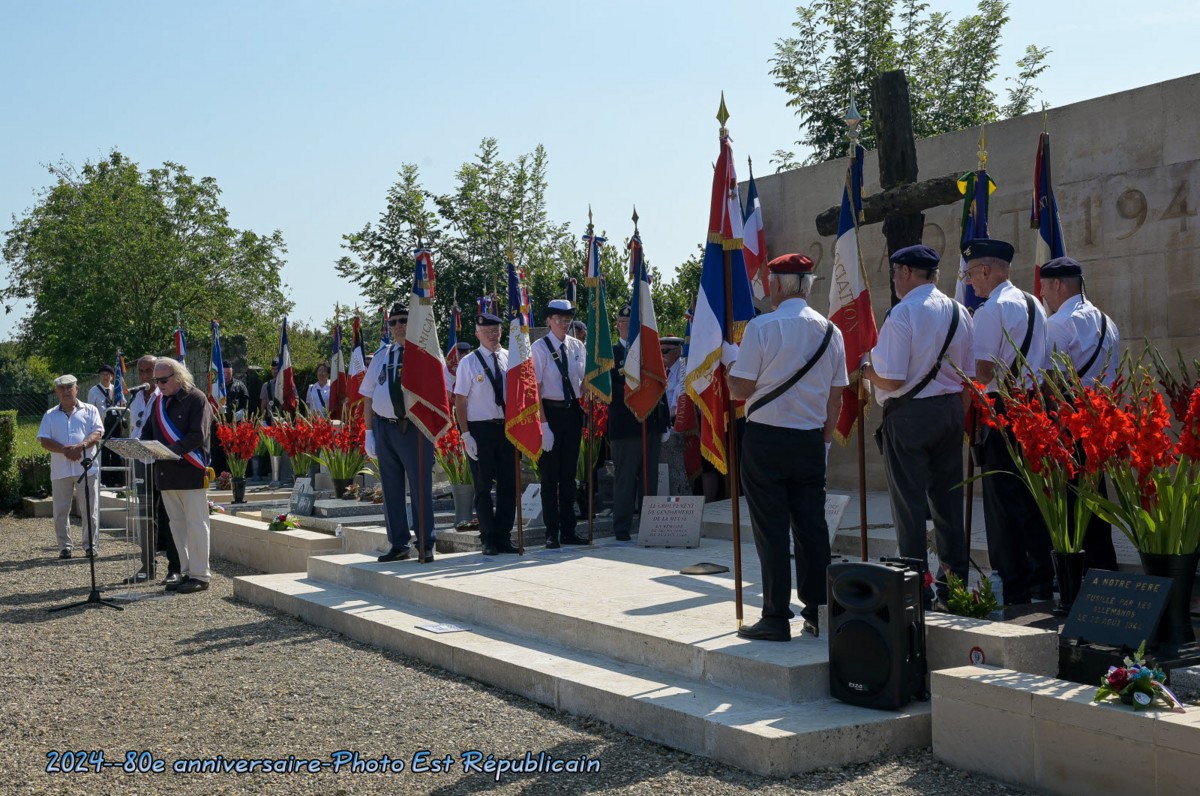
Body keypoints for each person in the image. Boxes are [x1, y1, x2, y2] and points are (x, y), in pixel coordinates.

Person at [727, 253, 847, 641]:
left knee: (772, 528)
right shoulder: (831, 331)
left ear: (778, 284)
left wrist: (729, 369)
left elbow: (741, 389)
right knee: (812, 527)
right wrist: (824, 441)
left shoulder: (762, 327)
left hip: (766, 439)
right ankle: (819, 611)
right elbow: (836, 399)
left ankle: (776, 616)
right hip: (809, 439)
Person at [863, 245, 974, 609]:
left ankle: (916, 591)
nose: (894, 279)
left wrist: (865, 371)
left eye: (896, 272)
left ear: (907, 272)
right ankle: (954, 589)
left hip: (910, 415)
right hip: (950, 410)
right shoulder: (959, 310)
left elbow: (892, 378)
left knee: (908, 507)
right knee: (949, 505)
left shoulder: (903, 313)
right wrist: (956, 414)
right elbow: (967, 378)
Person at [962, 237, 1053, 606]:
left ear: (986, 270)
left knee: (1003, 500)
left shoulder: (991, 310)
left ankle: (1012, 584)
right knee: (1034, 497)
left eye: (971, 274)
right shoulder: (1035, 303)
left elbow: (983, 371)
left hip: (1003, 408)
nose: (969, 282)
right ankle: (1041, 578)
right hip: (1034, 407)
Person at [1041, 255, 1121, 572]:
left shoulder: (1059, 323)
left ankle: (1082, 570)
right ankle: (1104, 564)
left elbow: (1051, 383)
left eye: (1044, 286)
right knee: (1096, 493)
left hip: (1071, 419)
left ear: (1058, 284)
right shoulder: (1107, 321)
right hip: (1103, 417)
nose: (1042, 293)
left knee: (1074, 497)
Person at [361, 303, 436, 563]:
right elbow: (368, 395)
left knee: (420, 488)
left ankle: (425, 543)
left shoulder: (424, 354)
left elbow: (440, 391)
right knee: (391, 489)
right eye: (393, 323)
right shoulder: (382, 356)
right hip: (385, 427)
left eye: (403, 320)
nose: (398, 326)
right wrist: (369, 432)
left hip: (414, 428)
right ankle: (398, 543)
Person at [140, 357, 214, 594]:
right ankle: (185, 571)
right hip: (166, 474)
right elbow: (147, 432)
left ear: (179, 377)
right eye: (156, 381)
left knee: (196, 525)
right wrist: (139, 446)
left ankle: (200, 575)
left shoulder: (196, 399)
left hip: (190, 472)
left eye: (163, 380)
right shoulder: (158, 403)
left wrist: (169, 451)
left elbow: (198, 436)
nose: (159, 385)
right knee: (177, 527)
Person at [454, 311, 518, 556]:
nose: (492, 335)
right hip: (480, 429)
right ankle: (487, 538)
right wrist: (465, 434)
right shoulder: (469, 362)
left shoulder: (510, 358)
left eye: (496, 331)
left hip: (507, 428)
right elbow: (460, 400)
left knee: (508, 485)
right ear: (477, 334)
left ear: (501, 332)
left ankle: (504, 536)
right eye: (487, 332)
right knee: (482, 485)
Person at [608, 305, 670, 541]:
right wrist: (635, 392)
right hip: (626, 427)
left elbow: (660, 386)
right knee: (625, 479)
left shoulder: (648, 353)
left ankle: (648, 525)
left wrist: (664, 422)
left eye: (632, 323)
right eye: (624, 323)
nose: (628, 327)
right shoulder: (611, 354)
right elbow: (610, 389)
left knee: (649, 479)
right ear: (618, 325)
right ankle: (622, 527)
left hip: (650, 425)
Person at [532, 298, 587, 548]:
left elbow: (583, 382)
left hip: (572, 411)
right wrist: (543, 425)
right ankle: (551, 532)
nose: (563, 324)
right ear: (549, 321)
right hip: (550, 413)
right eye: (558, 319)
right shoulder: (539, 348)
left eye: (567, 320)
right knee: (549, 477)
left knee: (569, 476)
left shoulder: (577, 346)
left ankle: (569, 530)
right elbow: (535, 389)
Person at [124, 355, 182, 585]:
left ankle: (175, 568)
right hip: (141, 461)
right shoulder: (135, 397)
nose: (145, 375)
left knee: (169, 515)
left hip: (163, 461)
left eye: (150, 370)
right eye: (141, 371)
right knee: (145, 515)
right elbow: (134, 428)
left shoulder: (165, 395)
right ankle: (147, 566)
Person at [37, 375, 104, 559]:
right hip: (61, 469)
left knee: (89, 509)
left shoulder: (90, 410)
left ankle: (90, 545)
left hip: (86, 468)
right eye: (62, 388)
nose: (66, 391)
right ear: (57, 392)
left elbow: (98, 433)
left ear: (77, 389)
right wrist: (66, 451)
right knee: (60, 510)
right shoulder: (50, 415)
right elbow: (44, 440)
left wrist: (81, 446)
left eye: (69, 387)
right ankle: (65, 547)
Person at [87, 364, 126, 487]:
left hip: (116, 423)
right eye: (103, 374)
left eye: (108, 375)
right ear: (99, 376)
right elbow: (90, 410)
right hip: (102, 423)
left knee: (116, 451)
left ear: (112, 377)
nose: (105, 377)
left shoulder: (116, 389)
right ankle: (104, 481)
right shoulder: (93, 391)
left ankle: (117, 481)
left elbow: (123, 404)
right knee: (103, 452)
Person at [662, 337, 684, 425]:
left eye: (665, 351)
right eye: (659, 351)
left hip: (676, 420)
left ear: (677, 352)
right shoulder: (663, 369)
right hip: (663, 419)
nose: (661, 354)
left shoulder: (683, 369)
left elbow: (681, 394)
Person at [259, 359, 281, 424]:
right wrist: (264, 421)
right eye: (273, 369)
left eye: (277, 369)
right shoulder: (266, 386)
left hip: (284, 421)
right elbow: (263, 406)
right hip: (270, 421)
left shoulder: (288, 385)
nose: (275, 371)